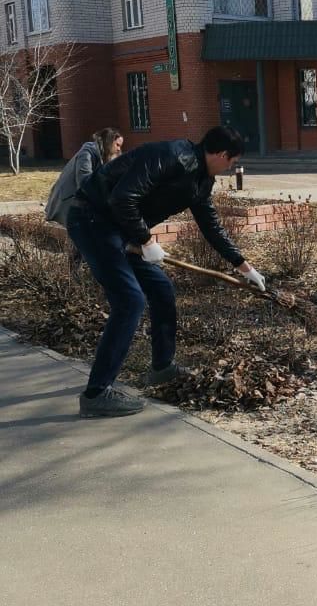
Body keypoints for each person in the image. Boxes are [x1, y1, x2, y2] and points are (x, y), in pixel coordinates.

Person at [66, 126, 266, 419]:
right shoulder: (172, 156)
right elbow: (122, 198)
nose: (231, 168)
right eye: (232, 162)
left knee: (161, 289)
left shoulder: (201, 181)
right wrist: (146, 241)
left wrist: (244, 266)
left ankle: (161, 367)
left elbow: (210, 225)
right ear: (223, 155)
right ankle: (97, 393)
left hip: (120, 229)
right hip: (92, 220)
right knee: (130, 301)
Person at [44, 127, 124, 227]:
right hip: (65, 202)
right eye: (117, 145)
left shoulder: (101, 156)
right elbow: (84, 182)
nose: (119, 149)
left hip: (76, 201)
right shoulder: (87, 154)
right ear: (108, 142)